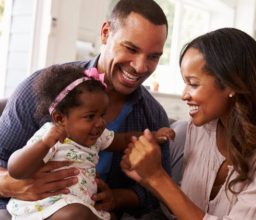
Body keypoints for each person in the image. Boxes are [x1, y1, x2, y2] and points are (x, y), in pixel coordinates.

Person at [0, 0, 170, 218]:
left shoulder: (153, 116)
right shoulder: (42, 90)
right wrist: (12, 184)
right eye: (131, 48)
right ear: (106, 33)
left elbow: (159, 194)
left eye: (153, 56)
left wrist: (118, 197)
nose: (140, 66)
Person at [121, 27, 256, 220]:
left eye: (193, 84)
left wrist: (157, 177)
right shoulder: (201, 128)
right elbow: (187, 210)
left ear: (231, 84)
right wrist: (148, 179)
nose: (184, 95)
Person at [5, 64, 175, 220]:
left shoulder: (97, 137)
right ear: (60, 118)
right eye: (90, 116)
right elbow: (16, 169)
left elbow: (123, 139)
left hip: (82, 204)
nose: (100, 122)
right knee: (76, 214)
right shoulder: (51, 137)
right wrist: (44, 144)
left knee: (109, 216)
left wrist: (152, 135)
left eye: (102, 115)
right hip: (47, 208)